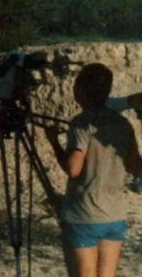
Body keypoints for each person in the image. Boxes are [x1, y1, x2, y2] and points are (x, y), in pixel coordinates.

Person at [45, 63, 142, 277]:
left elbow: (73, 169)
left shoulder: (81, 123)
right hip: (114, 215)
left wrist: (54, 142)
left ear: (81, 89)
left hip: (84, 215)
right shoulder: (124, 124)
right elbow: (135, 166)